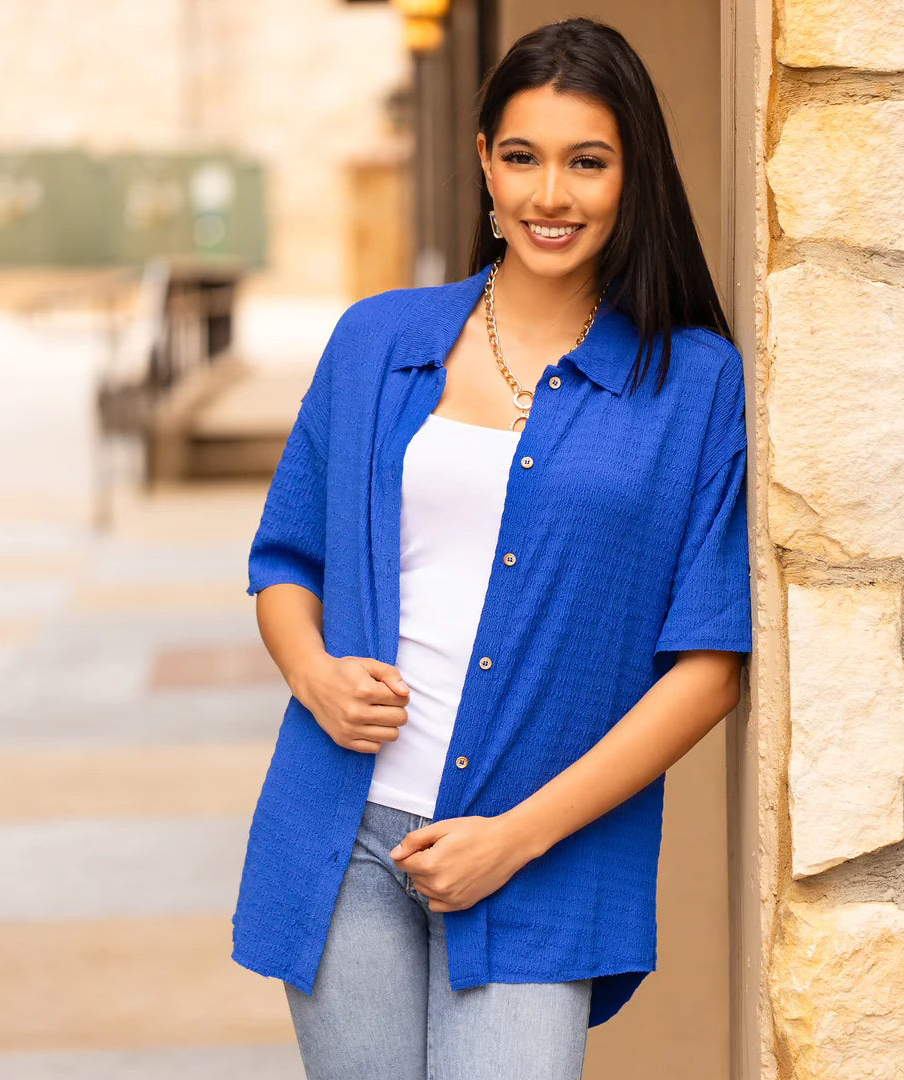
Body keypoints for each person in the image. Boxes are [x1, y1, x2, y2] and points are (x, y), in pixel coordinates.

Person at [232, 15, 751, 1080]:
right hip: (345, 835)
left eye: (586, 162)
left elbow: (709, 668)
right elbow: (285, 561)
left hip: (542, 858)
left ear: (631, 172)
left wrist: (512, 837)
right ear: (484, 162)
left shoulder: (691, 384)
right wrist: (314, 673)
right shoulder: (377, 341)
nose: (549, 195)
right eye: (523, 157)